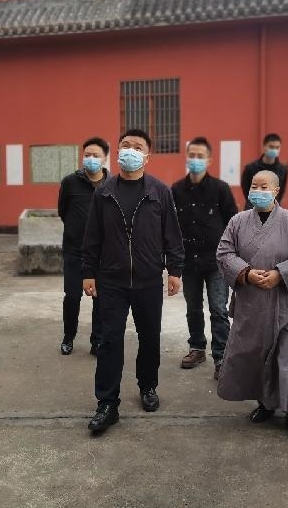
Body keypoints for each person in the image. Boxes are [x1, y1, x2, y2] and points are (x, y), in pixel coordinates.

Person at [82, 128, 184, 434]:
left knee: (150, 338)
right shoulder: (103, 193)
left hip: (148, 279)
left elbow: (172, 234)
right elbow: (92, 237)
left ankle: (148, 386)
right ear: (117, 152)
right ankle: (107, 404)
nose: (130, 150)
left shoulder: (159, 191)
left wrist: (175, 270)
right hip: (111, 280)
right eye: (125, 145)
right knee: (109, 340)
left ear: (147, 156)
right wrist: (88, 272)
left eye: (137, 147)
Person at [216, 170, 288, 442]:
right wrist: (246, 273)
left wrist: (280, 274)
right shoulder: (238, 221)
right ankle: (265, 404)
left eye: (264, 187)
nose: (258, 191)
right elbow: (224, 253)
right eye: (254, 186)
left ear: (276, 191)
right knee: (259, 356)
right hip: (253, 304)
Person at [171, 136, 237, 379]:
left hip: (216, 262)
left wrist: (231, 256)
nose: (195, 160)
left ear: (209, 160)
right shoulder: (176, 190)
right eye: (192, 155)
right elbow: (170, 226)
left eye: (200, 156)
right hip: (188, 261)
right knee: (193, 308)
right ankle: (197, 349)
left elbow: (233, 223)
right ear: (186, 157)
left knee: (218, 309)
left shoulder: (220, 189)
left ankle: (222, 357)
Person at [57, 137, 109, 356]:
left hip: (102, 254)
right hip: (74, 250)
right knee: (72, 296)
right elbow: (63, 211)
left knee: (100, 298)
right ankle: (68, 337)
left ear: (105, 158)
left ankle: (97, 340)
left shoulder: (112, 185)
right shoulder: (70, 182)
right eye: (87, 154)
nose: (91, 159)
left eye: (96, 155)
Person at [240, 133, 288, 209]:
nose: (274, 150)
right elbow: (245, 188)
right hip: (253, 208)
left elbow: (281, 191)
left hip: (273, 209)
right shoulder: (250, 168)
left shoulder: (283, 170)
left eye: (277, 147)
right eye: (271, 147)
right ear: (264, 146)